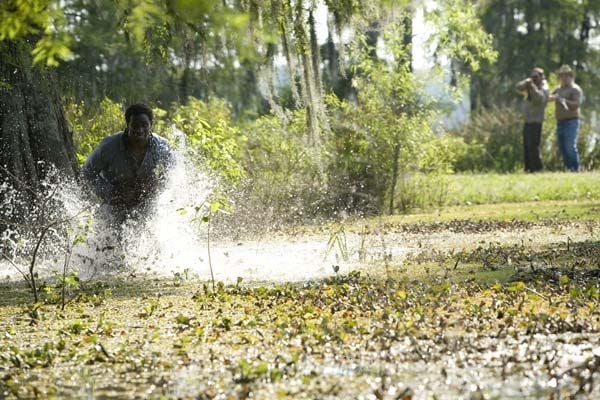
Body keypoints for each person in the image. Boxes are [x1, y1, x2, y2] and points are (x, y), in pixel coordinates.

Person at [81, 103, 174, 224]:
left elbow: (174, 172)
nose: (140, 130)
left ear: (151, 124)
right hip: (113, 207)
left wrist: (157, 185)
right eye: (135, 125)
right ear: (127, 125)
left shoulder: (162, 146)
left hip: (147, 206)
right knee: (109, 239)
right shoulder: (109, 146)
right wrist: (111, 192)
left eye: (144, 125)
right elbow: (86, 172)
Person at [549, 65, 584, 171]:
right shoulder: (558, 89)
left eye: (566, 76)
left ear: (571, 76)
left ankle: (575, 169)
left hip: (571, 122)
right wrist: (554, 97)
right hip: (560, 122)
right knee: (562, 147)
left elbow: (576, 105)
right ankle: (568, 169)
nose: (564, 78)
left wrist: (562, 100)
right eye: (562, 76)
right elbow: (548, 97)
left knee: (570, 146)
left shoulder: (575, 89)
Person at [516, 67, 549, 172]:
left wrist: (532, 87)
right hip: (527, 121)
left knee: (533, 146)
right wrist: (526, 82)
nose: (534, 78)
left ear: (541, 77)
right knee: (526, 146)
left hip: (536, 121)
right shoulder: (530, 85)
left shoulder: (544, 87)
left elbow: (539, 99)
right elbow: (518, 87)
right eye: (533, 76)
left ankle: (537, 168)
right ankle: (528, 168)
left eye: (536, 76)